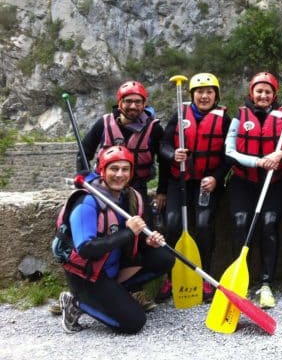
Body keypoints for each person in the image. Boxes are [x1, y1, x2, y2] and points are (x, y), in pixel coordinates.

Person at [58, 146, 174, 334]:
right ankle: (77, 301)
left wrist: (148, 241)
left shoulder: (131, 197)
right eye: (113, 169)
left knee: (164, 257)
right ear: (102, 170)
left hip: (115, 268)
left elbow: (135, 239)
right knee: (134, 323)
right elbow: (86, 248)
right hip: (88, 275)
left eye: (125, 169)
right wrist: (128, 233)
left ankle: (117, 295)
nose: (119, 174)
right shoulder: (86, 201)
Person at [224, 72, 282, 308]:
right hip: (243, 181)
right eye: (259, 91)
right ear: (251, 93)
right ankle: (240, 280)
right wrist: (257, 161)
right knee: (241, 221)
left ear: (274, 95)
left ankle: (266, 283)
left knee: (268, 222)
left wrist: (281, 154)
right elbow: (230, 151)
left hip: (276, 182)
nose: (263, 95)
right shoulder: (239, 117)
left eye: (267, 92)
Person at [157, 72, 231, 303]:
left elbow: (229, 155)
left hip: (206, 185)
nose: (204, 96)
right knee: (172, 224)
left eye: (209, 92)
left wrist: (217, 178)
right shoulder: (179, 114)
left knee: (203, 225)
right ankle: (171, 277)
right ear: (192, 95)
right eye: (200, 92)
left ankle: (205, 277)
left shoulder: (225, 119)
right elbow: (163, 146)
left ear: (216, 96)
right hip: (179, 183)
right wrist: (172, 154)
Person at [78, 80, 169, 226]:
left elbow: (164, 162)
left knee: (144, 227)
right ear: (120, 103)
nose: (133, 106)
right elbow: (83, 153)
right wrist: (85, 179)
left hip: (137, 186)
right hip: (104, 186)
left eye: (138, 102)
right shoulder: (104, 124)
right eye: (128, 101)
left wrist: (161, 191)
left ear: (144, 104)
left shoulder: (154, 129)